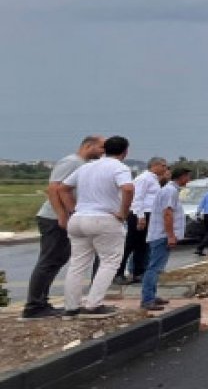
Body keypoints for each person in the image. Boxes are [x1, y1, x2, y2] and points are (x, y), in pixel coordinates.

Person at [22, 135, 104, 320]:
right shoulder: (71, 162)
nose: (103, 152)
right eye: (101, 148)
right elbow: (53, 189)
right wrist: (62, 215)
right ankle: (34, 306)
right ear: (88, 146)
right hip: (53, 218)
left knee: (58, 259)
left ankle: (41, 302)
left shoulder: (82, 164)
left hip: (63, 218)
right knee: (49, 260)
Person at [57, 135, 135, 319]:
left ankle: (71, 307)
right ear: (125, 152)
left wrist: (73, 209)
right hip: (104, 219)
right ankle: (93, 305)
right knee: (109, 261)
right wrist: (123, 212)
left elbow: (62, 188)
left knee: (77, 263)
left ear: (105, 149)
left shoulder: (86, 167)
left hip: (78, 219)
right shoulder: (119, 167)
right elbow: (128, 188)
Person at [140, 167, 191, 311]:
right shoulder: (170, 191)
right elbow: (167, 214)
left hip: (160, 234)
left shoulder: (170, 190)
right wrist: (170, 235)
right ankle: (147, 299)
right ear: (181, 176)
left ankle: (151, 295)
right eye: (188, 177)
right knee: (154, 268)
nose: (189, 180)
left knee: (157, 267)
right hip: (162, 235)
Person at [116, 157, 167, 285]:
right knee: (130, 245)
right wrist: (141, 216)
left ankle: (138, 272)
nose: (165, 168)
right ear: (155, 165)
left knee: (142, 246)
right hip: (139, 214)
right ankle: (118, 273)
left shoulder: (153, 179)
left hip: (149, 214)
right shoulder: (144, 178)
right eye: (163, 165)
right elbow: (137, 198)